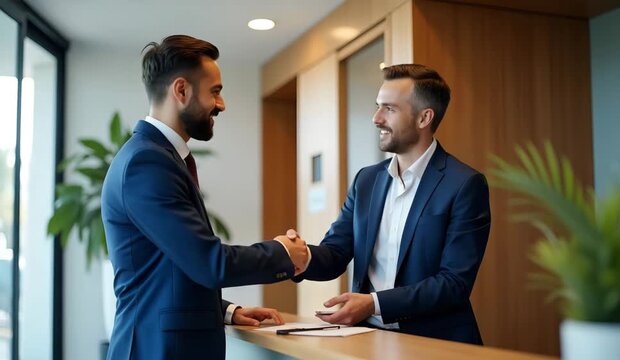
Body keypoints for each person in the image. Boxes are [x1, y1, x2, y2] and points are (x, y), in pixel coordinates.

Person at [101, 35, 308, 359]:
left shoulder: (159, 157)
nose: (221, 104)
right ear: (181, 91)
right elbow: (207, 261)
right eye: (215, 91)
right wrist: (284, 253)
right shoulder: (147, 163)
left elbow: (172, 265)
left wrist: (226, 310)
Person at [289, 64, 491, 345]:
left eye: (389, 109)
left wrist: (373, 303)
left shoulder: (464, 184)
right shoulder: (366, 180)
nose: (376, 118)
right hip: (369, 340)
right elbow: (336, 253)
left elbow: (453, 284)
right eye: (377, 107)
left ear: (424, 118)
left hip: (436, 343)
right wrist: (297, 256)